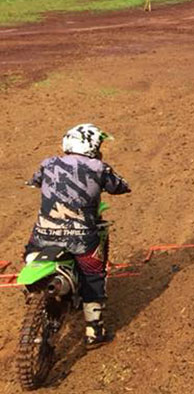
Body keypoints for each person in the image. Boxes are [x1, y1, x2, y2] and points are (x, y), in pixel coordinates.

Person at [24, 124, 130, 347]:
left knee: (29, 252)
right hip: (82, 237)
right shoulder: (99, 168)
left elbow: (35, 182)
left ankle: (34, 288)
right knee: (92, 274)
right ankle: (94, 331)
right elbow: (120, 187)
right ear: (92, 146)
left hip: (44, 235)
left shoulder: (48, 163)